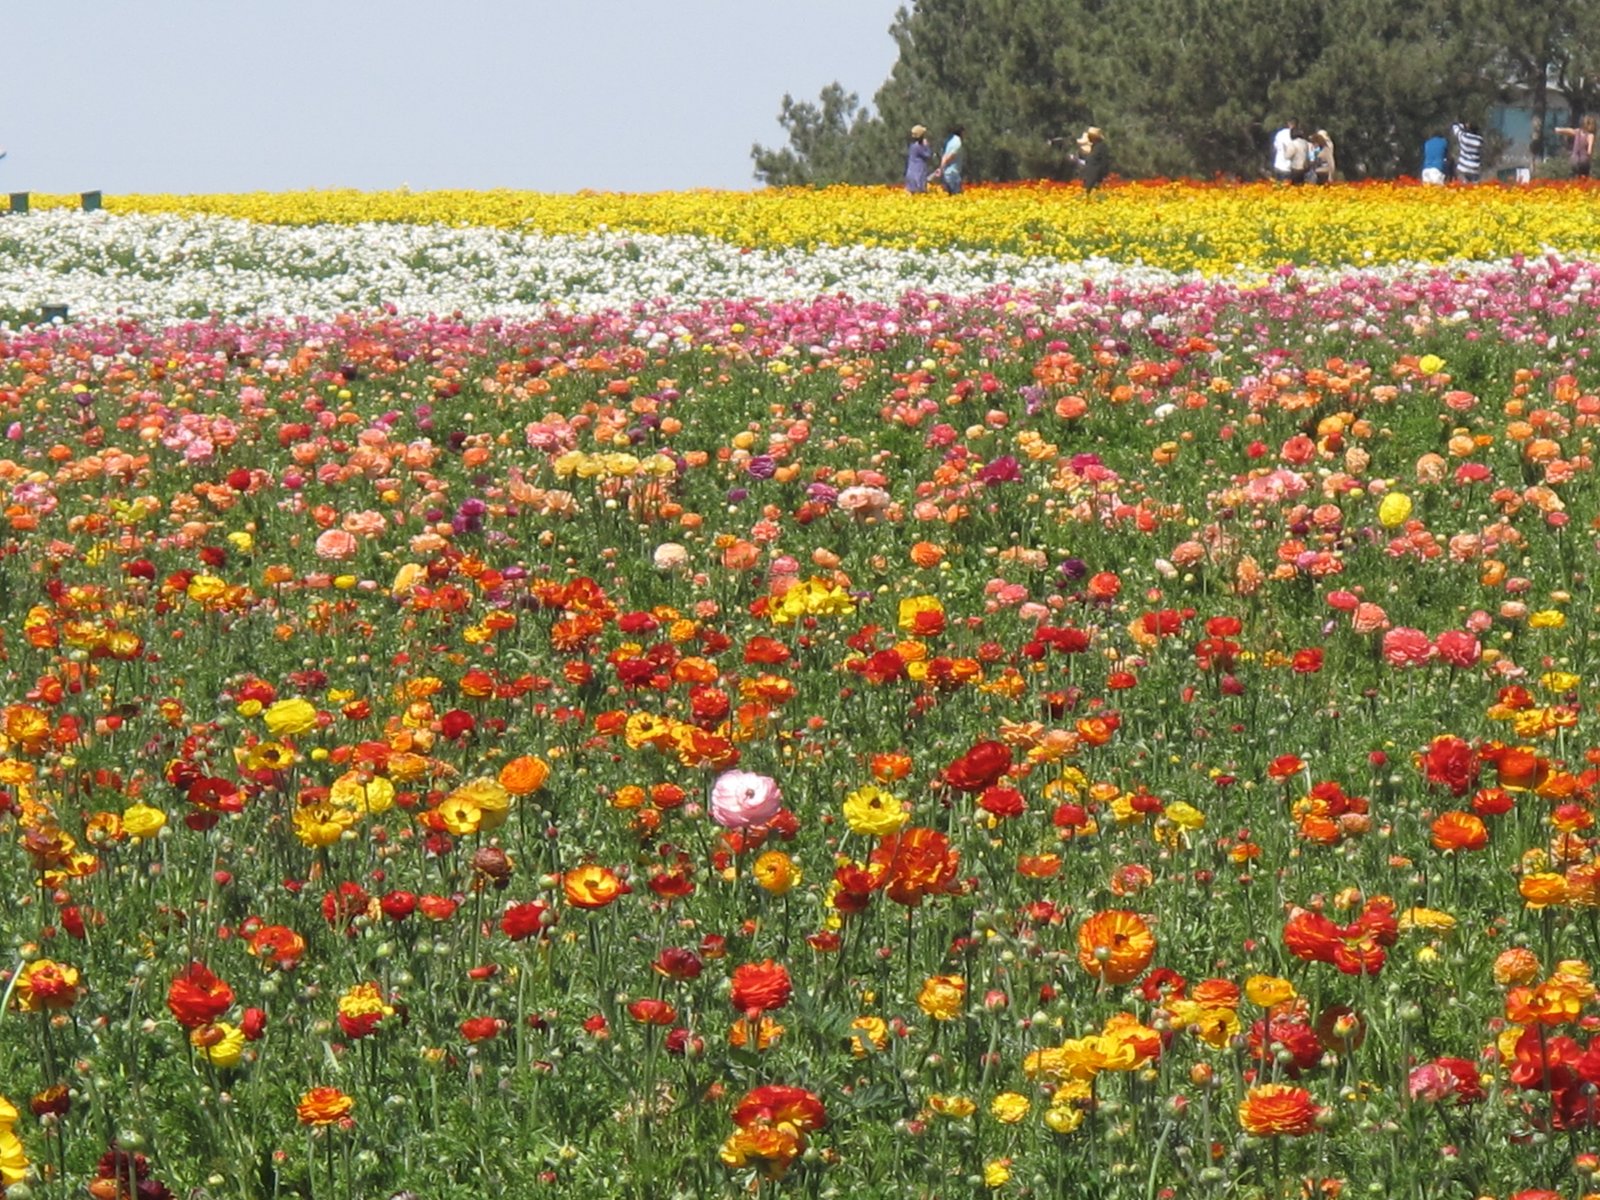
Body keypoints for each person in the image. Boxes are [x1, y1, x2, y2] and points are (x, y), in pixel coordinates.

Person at [1075, 127, 1110, 195]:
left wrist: (1102, 175)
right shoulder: (1094, 146)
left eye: (1090, 137)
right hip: (1089, 176)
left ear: (1094, 137)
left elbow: (1104, 162)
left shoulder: (1101, 147)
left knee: (1092, 193)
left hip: (1095, 176)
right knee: (1087, 193)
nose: (1088, 138)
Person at [904, 125, 933, 194]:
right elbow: (928, 155)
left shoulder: (912, 146)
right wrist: (926, 145)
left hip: (910, 173)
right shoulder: (918, 147)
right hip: (918, 174)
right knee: (921, 194)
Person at [939, 126, 965, 194]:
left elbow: (943, 155)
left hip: (947, 173)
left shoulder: (949, 140)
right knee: (956, 195)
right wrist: (941, 168)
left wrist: (941, 168)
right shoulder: (957, 142)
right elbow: (949, 156)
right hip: (952, 173)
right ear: (962, 132)